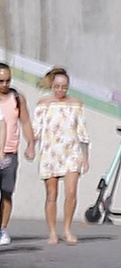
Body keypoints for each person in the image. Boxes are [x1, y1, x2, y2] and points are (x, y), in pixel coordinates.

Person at [34, 67, 90, 245]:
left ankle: (67, 228)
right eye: (57, 86)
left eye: (64, 87)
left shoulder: (76, 104)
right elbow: (36, 130)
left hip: (71, 152)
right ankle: (52, 231)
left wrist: (85, 156)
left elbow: (82, 132)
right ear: (52, 85)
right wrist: (30, 146)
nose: (60, 91)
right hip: (51, 152)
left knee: (71, 192)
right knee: (52, 194)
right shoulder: (44, 104)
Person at [0, 61, 35, 248]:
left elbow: (25, 122)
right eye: (0, 81)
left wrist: (31, 144)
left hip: (10, 152)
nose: (4, 85)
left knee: (6, 193)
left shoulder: (17, 98)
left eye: (7, 80)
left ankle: (3, 229)